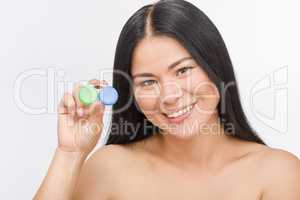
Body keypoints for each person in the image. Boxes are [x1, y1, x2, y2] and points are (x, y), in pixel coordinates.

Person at [33, 0, 300, 199]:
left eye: (183, 70)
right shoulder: (109, 168)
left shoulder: (277, 172)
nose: (170, 96)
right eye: (148, 81)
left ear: (215, 66)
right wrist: (69, 155)